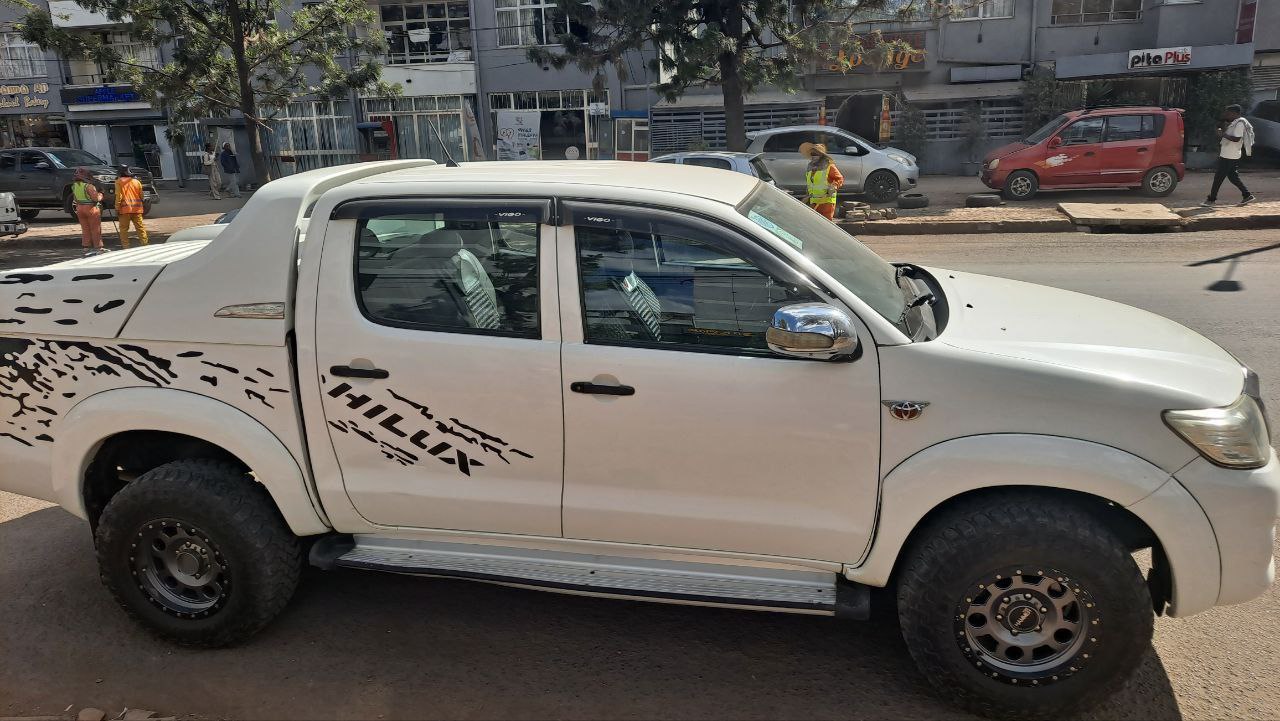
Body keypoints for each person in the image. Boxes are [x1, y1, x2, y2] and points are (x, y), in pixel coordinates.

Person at [1203, 104, 1256, 207]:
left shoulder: (1240, 123)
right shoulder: (1234, 122)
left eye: (1228, 113)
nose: (1226, 115)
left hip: (1229, 155)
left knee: (1218, 177)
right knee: (1233, 177)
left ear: (1235, 113)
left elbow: (1237, 138)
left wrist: (1222, 134)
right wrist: (1221, 127)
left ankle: (1211, 199)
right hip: (1230, 154)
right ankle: (1247, 195)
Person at [800, 141, 844, 220]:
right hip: (814, 202)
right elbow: (811, 184)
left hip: (826, 202)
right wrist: (807, 196)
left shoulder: (829, 166)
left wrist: (834, 186)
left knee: (826, 224)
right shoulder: (810, 167)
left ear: (821, 155)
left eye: (816, 154)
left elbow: (839, 178)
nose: (813, 156)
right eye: (812, 154)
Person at [70, 167, 106, 255]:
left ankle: (86, 247)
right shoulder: (89, 186)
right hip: (91, 208)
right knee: (95, 229)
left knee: (85, 228)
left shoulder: (74, 186)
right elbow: (96, 198)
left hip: (79, 208)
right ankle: (98, 247)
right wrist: (101, 194)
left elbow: (75, 198)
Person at [114, 165, 148, 249]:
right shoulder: (136, 182)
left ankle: (126, 246)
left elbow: (119, 196)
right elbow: (141, 196)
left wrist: (117, 208)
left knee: (124, 229)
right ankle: (145, 244)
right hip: (137, 209)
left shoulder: (119, 182)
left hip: (124, 209)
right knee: (140, 228)